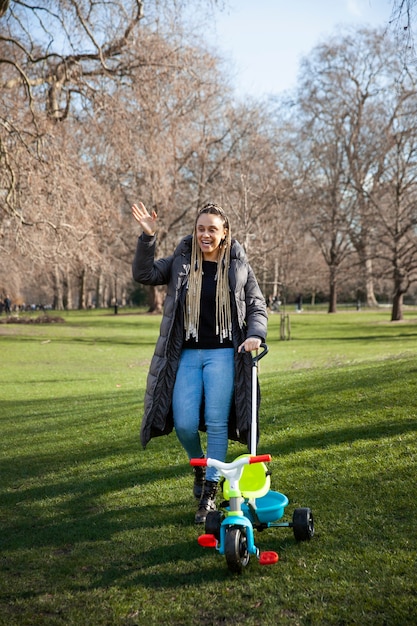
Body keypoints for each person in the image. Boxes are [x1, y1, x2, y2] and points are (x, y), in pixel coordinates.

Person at [131, 201, 268, 523]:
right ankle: (201, 463)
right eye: (201, 228)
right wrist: (148, 237)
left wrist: (256, 334)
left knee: (218, 422)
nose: (205, 235)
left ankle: (210, 489)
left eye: (212, 230)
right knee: (185, 423)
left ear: (224, 234)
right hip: (188, 354)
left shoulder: (237, 265)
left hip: (223, 353)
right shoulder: (181, 260)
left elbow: (256, 304)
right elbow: (144, 274)